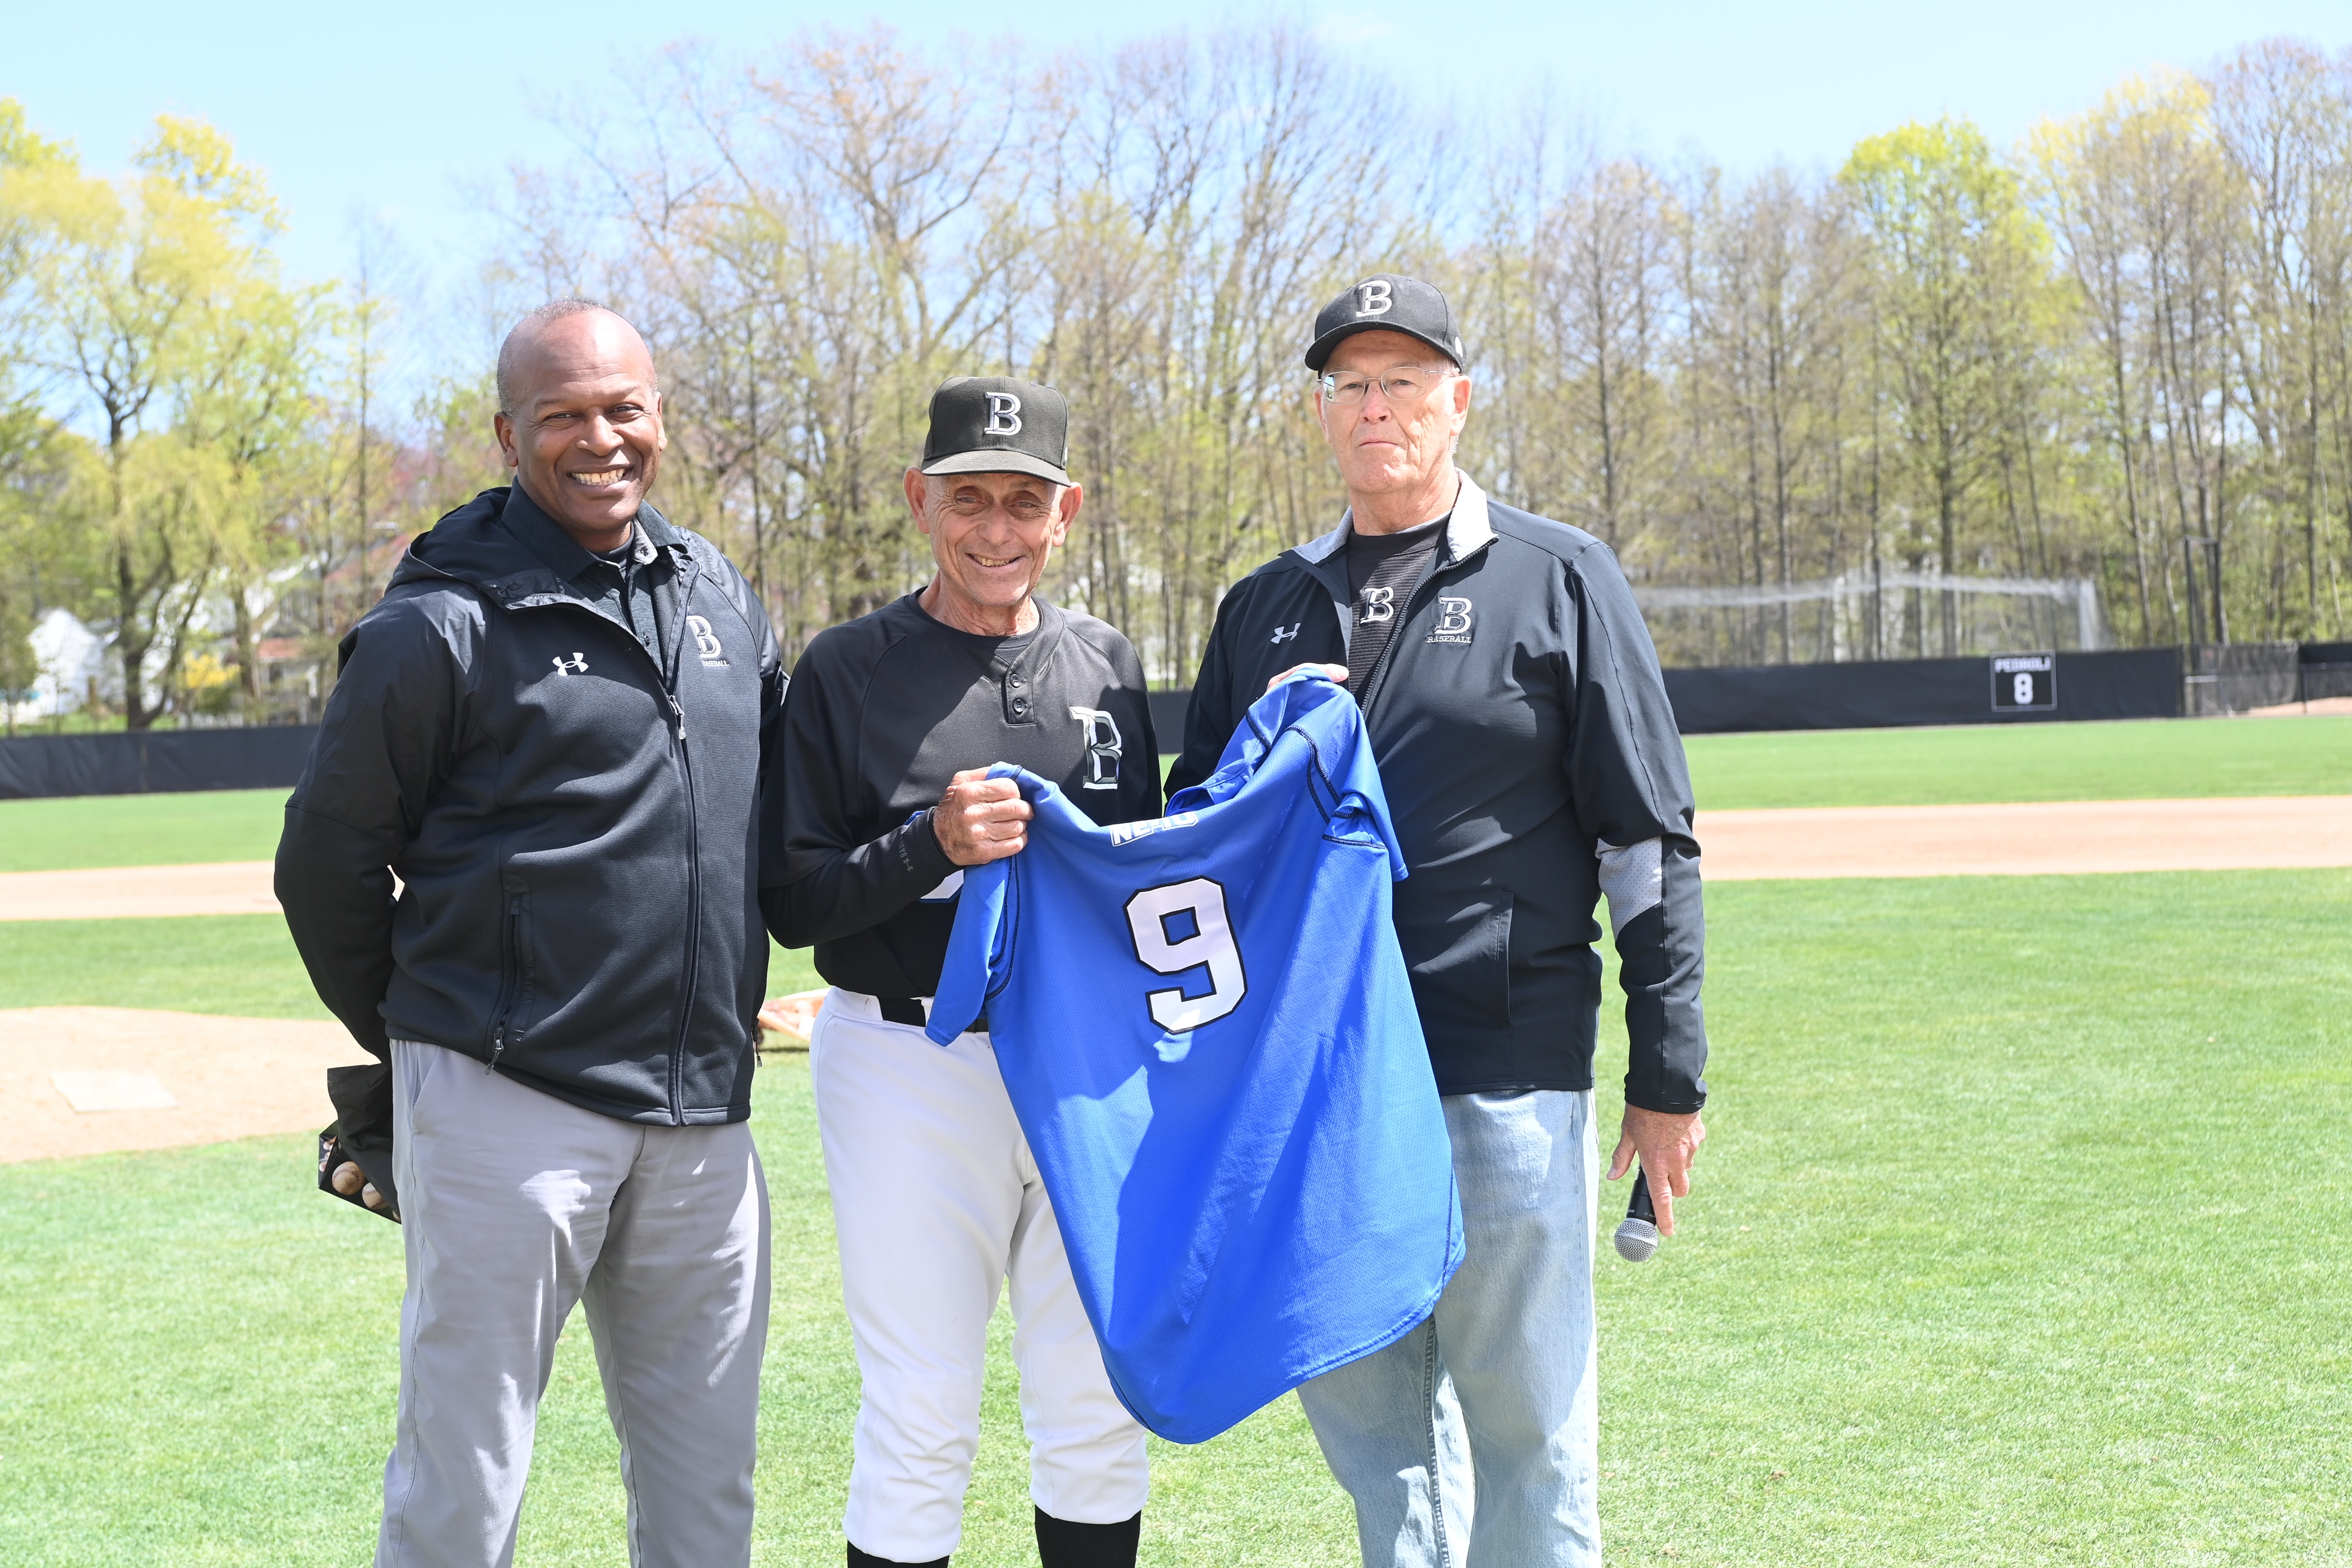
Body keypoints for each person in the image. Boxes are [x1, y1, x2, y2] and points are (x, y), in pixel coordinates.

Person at [1168, 274, 1710, 1566]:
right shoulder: (1262, 607)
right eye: (1351, 384)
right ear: (1320, 411)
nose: (1376, 408)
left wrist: (1668, 1073)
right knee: (1383, 1456)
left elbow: (1645, 842)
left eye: (1403, 382)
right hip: (1317, 1090)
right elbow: (1195, 849)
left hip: (1501, 1072)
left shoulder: (1558, 576)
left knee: (1532, 1444)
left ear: (1458, 400)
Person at [276, 299, 785, 1568]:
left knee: (709, 1491)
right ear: (510, 436)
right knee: (465, 1482)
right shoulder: (439, 621)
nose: (599, 439)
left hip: (701, 1117)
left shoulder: (719, 592)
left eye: (624, 409)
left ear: (660, 415)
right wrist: (431, 1042)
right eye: (563, 416)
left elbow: (772, 831)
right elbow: (325, 864)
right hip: (512, 1102)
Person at [763, 377, 1163, 1568]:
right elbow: (793, 901)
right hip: (908, 1060)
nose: (997, 528)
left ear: (1066, 512)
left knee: (1096, 1405)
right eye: (969, 498)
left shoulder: (1107, 663)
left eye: (1024, 502)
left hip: (1084, 1061)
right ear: (919, 500)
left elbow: (1143, 882)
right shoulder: (846, 668)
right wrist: (926, 845)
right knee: (921, 1412)